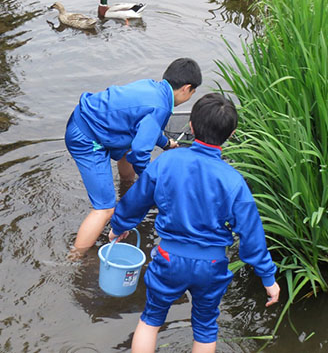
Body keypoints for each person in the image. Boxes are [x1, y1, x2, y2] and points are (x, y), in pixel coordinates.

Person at [108, 93, 280, 353]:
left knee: (151, 319)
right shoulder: (233, 181)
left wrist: (118, 226)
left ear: (190, 126)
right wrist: (268, 277)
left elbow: (137, 200)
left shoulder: (166, 162)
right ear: (231, 134)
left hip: (168, 258)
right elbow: (251, 233)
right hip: (212, 265)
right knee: (205, 327)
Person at [66, 58, 202, 256]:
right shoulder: (161, 107)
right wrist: (150, 181)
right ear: (186, 88)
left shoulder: (152, 87)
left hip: (90, 120)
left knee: (127, 150)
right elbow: (140, 153)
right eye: (193, 92)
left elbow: (144, 125)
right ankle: (75, 258)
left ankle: (127, 188)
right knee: (104, 209)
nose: (191, 96)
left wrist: (165, 143)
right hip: (86, 137)